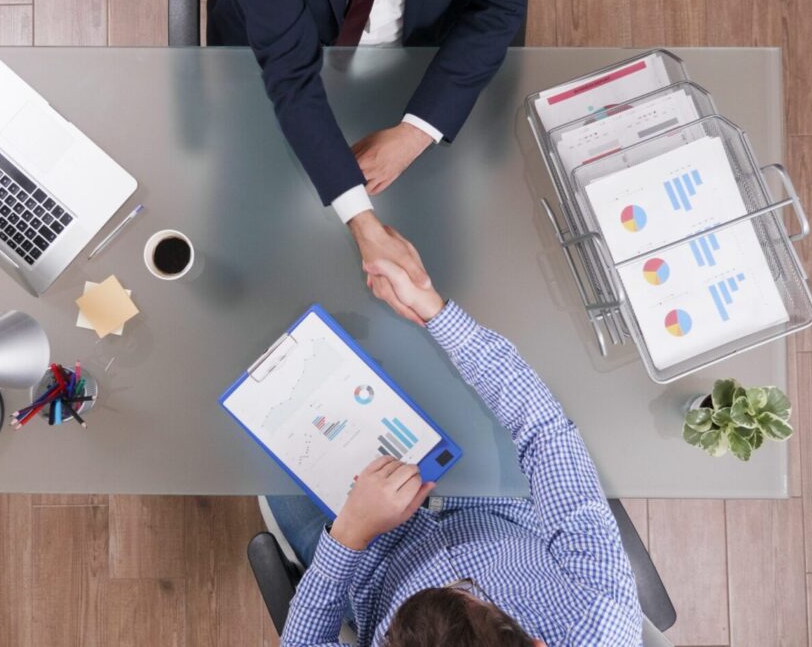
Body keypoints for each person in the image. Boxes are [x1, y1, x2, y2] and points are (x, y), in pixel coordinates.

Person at [267, 244, 644, 646]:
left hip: (367, 557)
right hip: (486, 495)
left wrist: (351, 534)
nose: (453, 578)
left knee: (266, 380)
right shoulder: (601, 623)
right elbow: (548, 436)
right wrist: (433, 310)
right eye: (468, 589)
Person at [208, 0, 529, 321]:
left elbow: (497, 9)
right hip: (277, 59)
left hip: (422, 73)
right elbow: (288, 71)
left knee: (450, 271)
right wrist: (360, 218)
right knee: (247, 267)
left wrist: (416, 133)